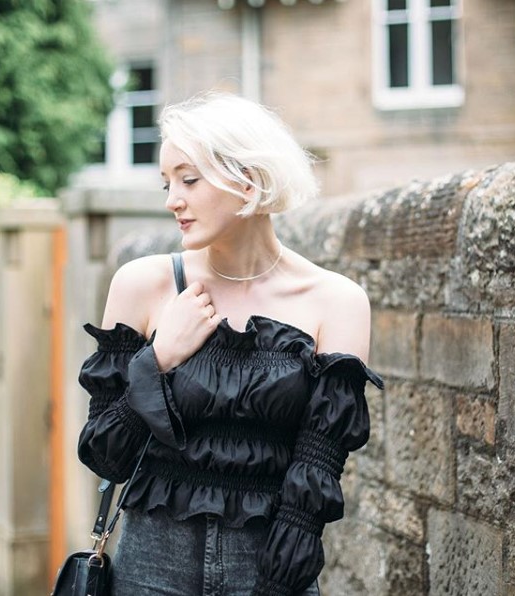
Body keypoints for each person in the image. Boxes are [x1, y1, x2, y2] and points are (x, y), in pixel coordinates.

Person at [77, 92, 384, 596]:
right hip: (150, 564)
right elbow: (104, 454)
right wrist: (159, 357)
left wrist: (278, 581)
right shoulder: (143, 285)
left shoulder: (337, 301)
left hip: (267, 567)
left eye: (188, 179)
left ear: (249, 180)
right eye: (166, 182)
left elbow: (316, 473)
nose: (171, 198)